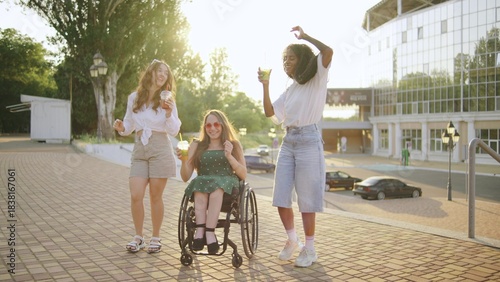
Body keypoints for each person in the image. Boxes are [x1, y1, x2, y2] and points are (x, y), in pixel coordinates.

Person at [257, 26, 333, 267]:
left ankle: (310, 249)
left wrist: (307, 37)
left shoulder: (317, 80)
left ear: (303, 60)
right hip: (288, 142)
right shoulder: (290, 90)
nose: (286, 62)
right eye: (284, 59)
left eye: (291, 57)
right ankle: (292, 240)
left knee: (307, 200)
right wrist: (265, 85)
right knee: (280, 197)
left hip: (309, 140)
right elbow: (270, 112)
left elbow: (328, 51)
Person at [113, 59, 181, 254]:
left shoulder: (167, 100)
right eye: (159, 71)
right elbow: (128, 125)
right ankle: (138, 236)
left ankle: (156, 237)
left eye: (165, 73)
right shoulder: (134, 97)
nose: (162, 75)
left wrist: (168, 113)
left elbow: (174, 130)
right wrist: (121, 128)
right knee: (136, 195)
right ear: (150, 72)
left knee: (155, 196)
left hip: (160, 149)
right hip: (140, 150)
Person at [177, 110, 246, 254]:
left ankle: (209, 232)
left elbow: (243, 174)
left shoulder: (233, 144)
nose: (212, 128)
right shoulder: (197, 145)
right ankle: (200, 232)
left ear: (223, 125)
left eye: (216, 124)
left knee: (216, 187)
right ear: (204, 128)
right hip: (203, 183)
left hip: (226, 183)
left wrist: (229, 156)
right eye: (208, 125)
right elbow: (185, 177)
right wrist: (184, 161)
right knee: (201, 184)